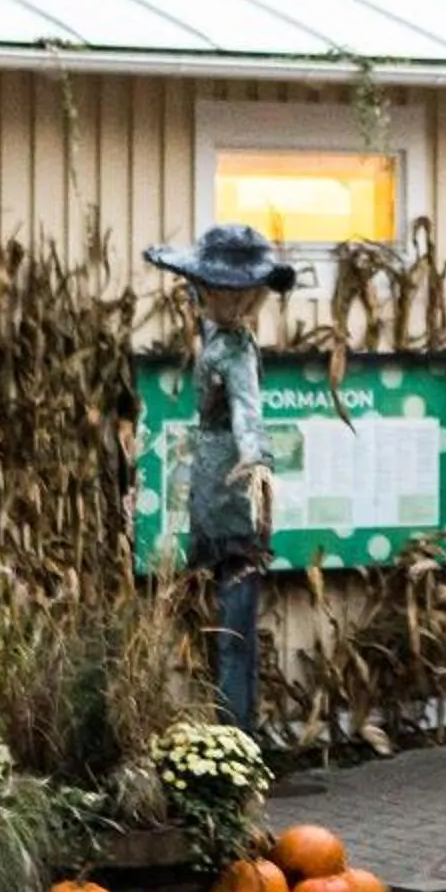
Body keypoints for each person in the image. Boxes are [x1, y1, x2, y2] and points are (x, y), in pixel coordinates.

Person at [143, 223, 296, 731]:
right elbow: (247, 414)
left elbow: (247, 413)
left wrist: (256, 463)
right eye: (219, 291)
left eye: (239, 293)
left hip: (223, 488)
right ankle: (235, 738)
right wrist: (256, 466)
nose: (229, 302)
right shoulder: (224, 341)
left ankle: (235, 739)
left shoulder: (229, 345)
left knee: (233, 628)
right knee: (230, 627)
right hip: (220, 489)